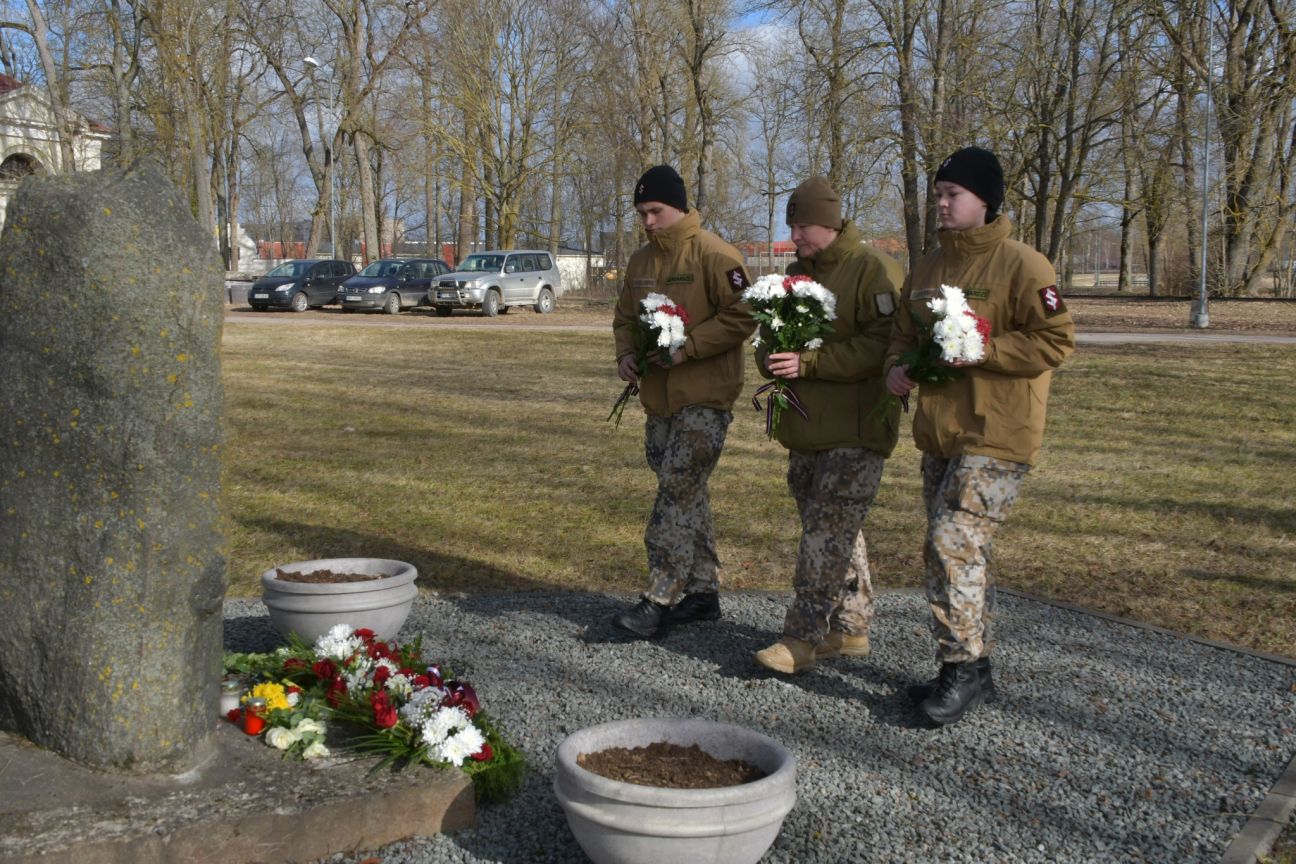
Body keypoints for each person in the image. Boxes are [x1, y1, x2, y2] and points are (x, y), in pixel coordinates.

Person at [884, 146, 1075, 725]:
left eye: (952, 195)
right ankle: (978, 665)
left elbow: (1055, 341)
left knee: (950, 544)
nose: (940, 204)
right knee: (968, 554)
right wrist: (897, 367)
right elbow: (902, 332)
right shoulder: (927, 267)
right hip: (940, 434)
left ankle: (959, 667)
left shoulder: (1023, 265)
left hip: (997, 432)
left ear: (984, 200)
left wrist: (984, 350)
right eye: (937, 194)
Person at [751, 176, 904, 674]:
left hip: (855, 430)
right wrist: (770, 358)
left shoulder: (872, 270)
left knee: (824, 534)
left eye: (803, 225)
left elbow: (883, 347)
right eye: (791, 225)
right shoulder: (795, 274)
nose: (794, 235)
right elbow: (769, 337)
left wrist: (810, 362)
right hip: (806, 427)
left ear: (831, 223)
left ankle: (802, 639)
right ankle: (851, 628)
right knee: (837, 531)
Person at [610, 165, 757, 638]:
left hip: (705, 399)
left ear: (679, 205)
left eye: (655, 211)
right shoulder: (639, 262)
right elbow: (623, 317)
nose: (648, 221)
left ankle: (659, 596)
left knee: (675, 491)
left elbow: (745, 313)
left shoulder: (716, 255)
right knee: (687, 493)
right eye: (641, 214)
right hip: (659, 400)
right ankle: (702, 593)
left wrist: (688, 347)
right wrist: (627, 354)